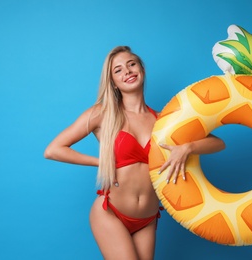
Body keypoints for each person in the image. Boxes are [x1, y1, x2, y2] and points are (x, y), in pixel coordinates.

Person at [44, 46, 226, 259]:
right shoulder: (102, 114)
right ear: (112, 81)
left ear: (142, 69)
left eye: (132, 64)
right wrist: (101, 162)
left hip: (147, 218)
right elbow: (53, 150)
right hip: (110, 212)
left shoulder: (163, 120)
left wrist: (187, 148)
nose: (127, 72)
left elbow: (218, 143)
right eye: (118, 70)